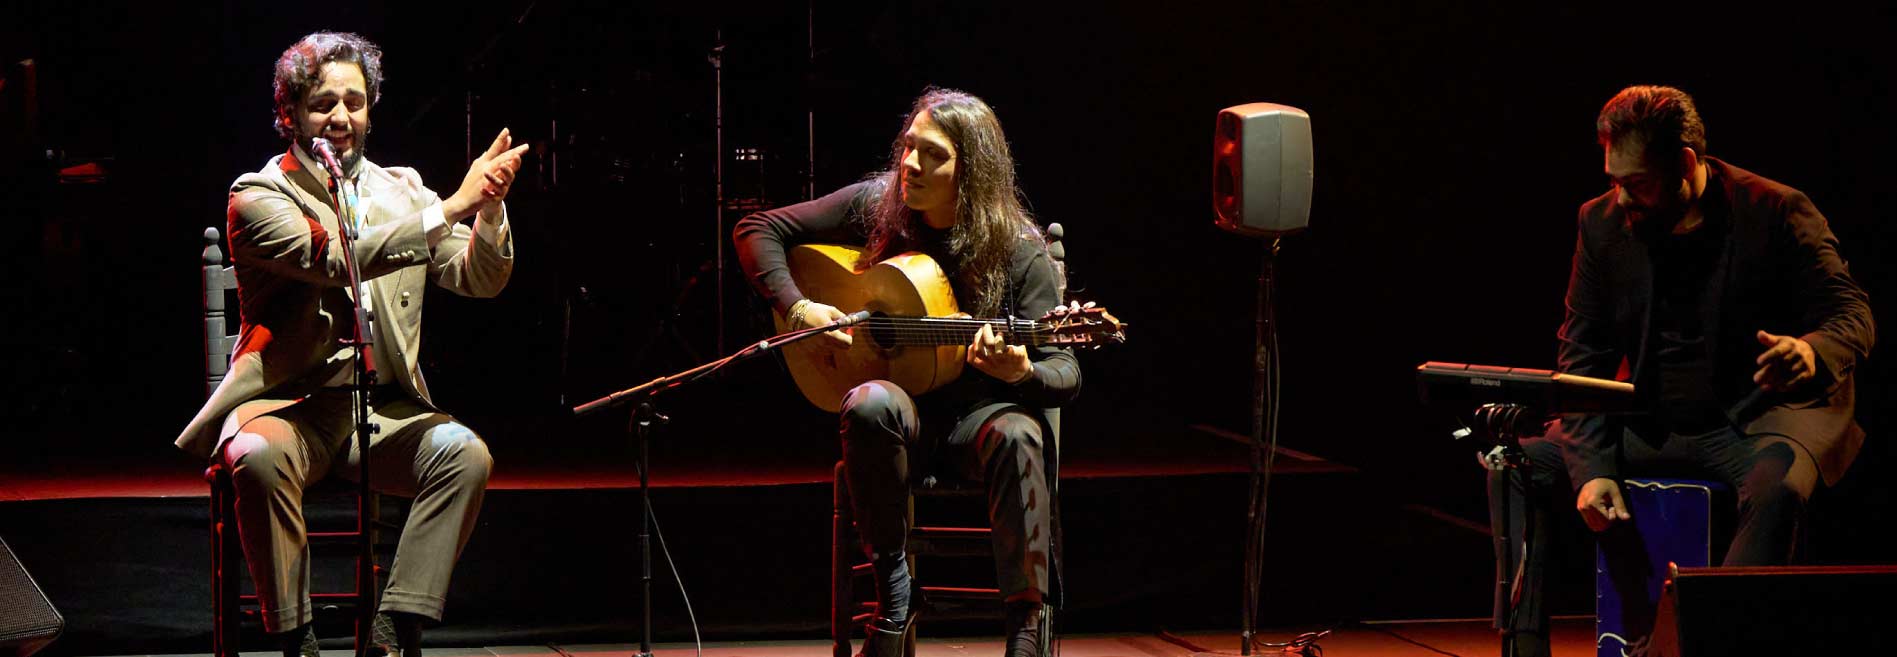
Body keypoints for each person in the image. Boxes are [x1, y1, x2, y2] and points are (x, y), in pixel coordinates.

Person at [175, 31, 529, 657]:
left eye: (354, 102)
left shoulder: (404, 190)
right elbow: (336, 259)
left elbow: (479, 277)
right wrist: (449, 208)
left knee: (464, 457)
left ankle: (395, 630)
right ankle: (297, 641)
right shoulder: (256, 195)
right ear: (288, 113)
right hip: (289, 408)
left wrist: (490, 208)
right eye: (322, 103)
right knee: (256, 456)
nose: (341, 117)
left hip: (382, 411)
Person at [1492, 85, 1874, 656]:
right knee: (1513, 464)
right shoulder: (1599, 224)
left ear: (1687, 163)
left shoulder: (1774, 210)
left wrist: (1812, 351)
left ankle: (1713, 643)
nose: (1621, 197)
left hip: (1752, 419)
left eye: (1637, 182)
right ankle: (1524, 651)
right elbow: (1582, 352)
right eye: (1613, 179)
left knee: (1778, 488)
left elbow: (1853, 312)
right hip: (1653, 417)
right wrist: (1592, 467)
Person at [733, 88, 1078, 657]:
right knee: (867, 400)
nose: (910, 165)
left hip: (978, 426)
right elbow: (757, 229)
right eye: (908, 147)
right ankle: (896, 591)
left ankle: (1025, 625)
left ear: (973, 170)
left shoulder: (1020, 252)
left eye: (933, 155)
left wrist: (1020, 371)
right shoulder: (880, 205)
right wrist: (799, 306)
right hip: (900, 427)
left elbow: (1066, 370)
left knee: (1020, 432)